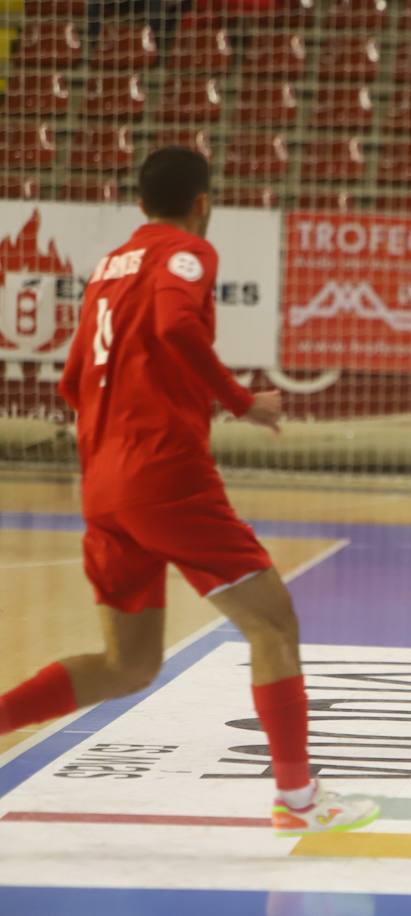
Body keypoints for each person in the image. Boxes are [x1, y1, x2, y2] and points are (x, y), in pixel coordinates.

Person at [0, 147, 377, 836]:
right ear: (203, 202)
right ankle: (298, 801)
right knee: (274, 623)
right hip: (164, 476)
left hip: (102, 485)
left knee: (128, 664)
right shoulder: (188, 254)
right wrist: (238, 401)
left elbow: (69, 379)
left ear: (138, 202)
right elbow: (174, 324)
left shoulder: (107, 270)